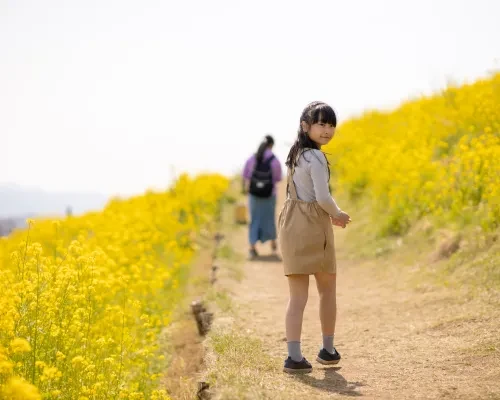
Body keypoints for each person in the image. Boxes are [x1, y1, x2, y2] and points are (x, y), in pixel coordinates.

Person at [277, 101, 351, 374]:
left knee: (297, 296)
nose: (327, 130)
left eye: (331, 124)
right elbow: (322, 197)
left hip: (291, 220)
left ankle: (294, 357)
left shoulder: (295, 155)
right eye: (321, 123)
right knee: (327, 289)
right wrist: (338, 214)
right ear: (305, 126)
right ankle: (328, 351)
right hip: (313, 223)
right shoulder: (317, 157)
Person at [242, 134, 283, 260]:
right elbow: (278, 178)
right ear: (272, 145)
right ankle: (272, 243)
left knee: (254, 220)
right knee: (269, 219)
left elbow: (245, 174)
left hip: (254, 195)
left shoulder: (253, 158)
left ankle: (252, 248)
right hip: (269, 195)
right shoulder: (274, 160)